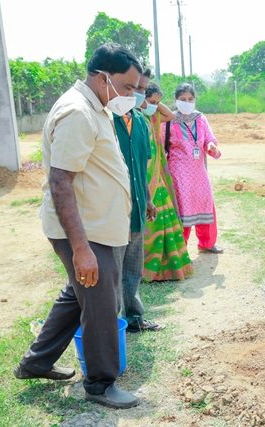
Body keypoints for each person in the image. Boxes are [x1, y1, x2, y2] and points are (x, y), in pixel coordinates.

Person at [13, 43, 141, 409]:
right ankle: (100, 384)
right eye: (127, 87)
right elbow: (60, 182)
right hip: (85, 232)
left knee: (79, 293)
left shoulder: (95, 106)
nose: (131, 95)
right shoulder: (77, 112)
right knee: (101, 304)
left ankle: (36, 361)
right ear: (104, 78)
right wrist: (82, 248)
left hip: (98, 226)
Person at [112, 67, 164, 333]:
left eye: (142, 89)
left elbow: (140, 166)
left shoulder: (140, 122)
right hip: (112, 210)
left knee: (133, 265)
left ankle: (133, 317)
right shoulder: (106, 120)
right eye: (133, 88)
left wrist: (147, 198)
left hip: (136, 207)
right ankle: (112, 323)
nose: (137, 94)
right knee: (112, 268)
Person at [142, 83, 194, 281]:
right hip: (145, 174)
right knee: (150, 221)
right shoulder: (136, 119)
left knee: (163, 217)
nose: (154, 106)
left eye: (158, 102)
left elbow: (170, 116)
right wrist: (143, 103)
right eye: (151, 101)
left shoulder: (153, 116)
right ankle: (149, 267)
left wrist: (153, 102)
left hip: (158, 170)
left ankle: (167, 265)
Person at [165, 83, 223, 253]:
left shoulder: (200, 118)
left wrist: (211, 145)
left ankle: (207, 243)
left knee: (205, 202)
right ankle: (181, 248)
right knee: (184, 207)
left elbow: (209, 139)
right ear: (176, 100)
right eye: (183, 99)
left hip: (199, 171)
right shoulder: (168, 119)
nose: (187, 102)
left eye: (190, 99)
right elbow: (162, 145)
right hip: (178, 171)